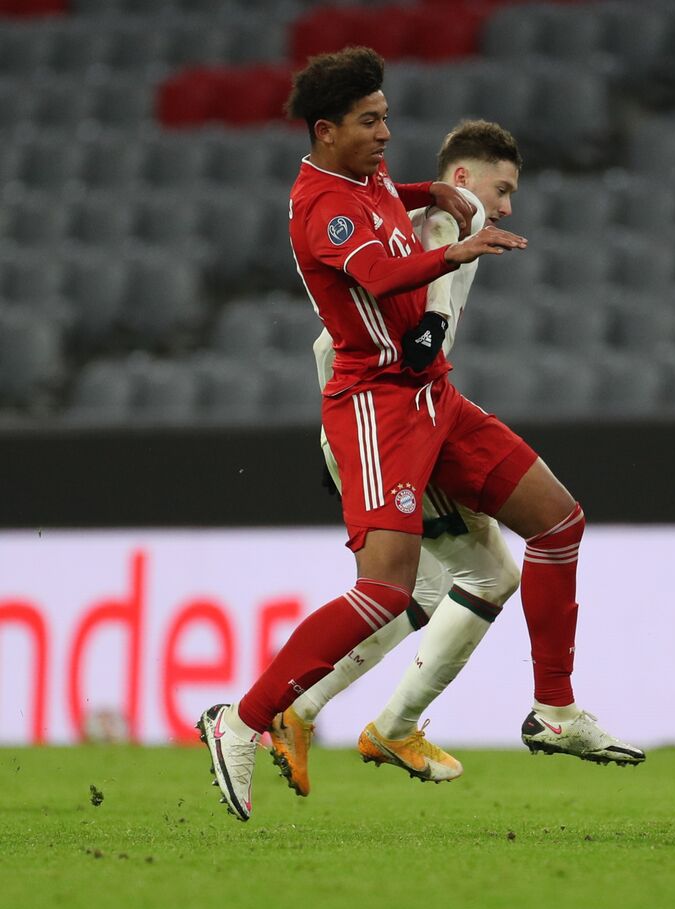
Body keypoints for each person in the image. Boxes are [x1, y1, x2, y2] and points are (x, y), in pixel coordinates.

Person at [198, 47, 643, 823]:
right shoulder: (320, 210)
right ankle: (242, 717)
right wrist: (456, 248)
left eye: (388, 116)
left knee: (559, 522)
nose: (386, 132)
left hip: (434, 397)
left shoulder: (366, 179)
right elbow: (375, 273)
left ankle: (554, 710)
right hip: (376, 406)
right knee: (386, 590)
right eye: (372, 121)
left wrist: (426, 190)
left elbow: (383, 199)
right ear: (327, 129)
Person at [268, 121, 530, 795]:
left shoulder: (392, 219)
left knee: (422, 590)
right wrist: (435, 325)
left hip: (372, 423)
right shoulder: (440, 227)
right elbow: (433, 275)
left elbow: (327, 341)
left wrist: (334, 431)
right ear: (462, 180)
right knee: (492, 573)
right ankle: (379, 722)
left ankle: (303, 708)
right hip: (392, 425)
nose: (505, 208)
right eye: (501, 189)